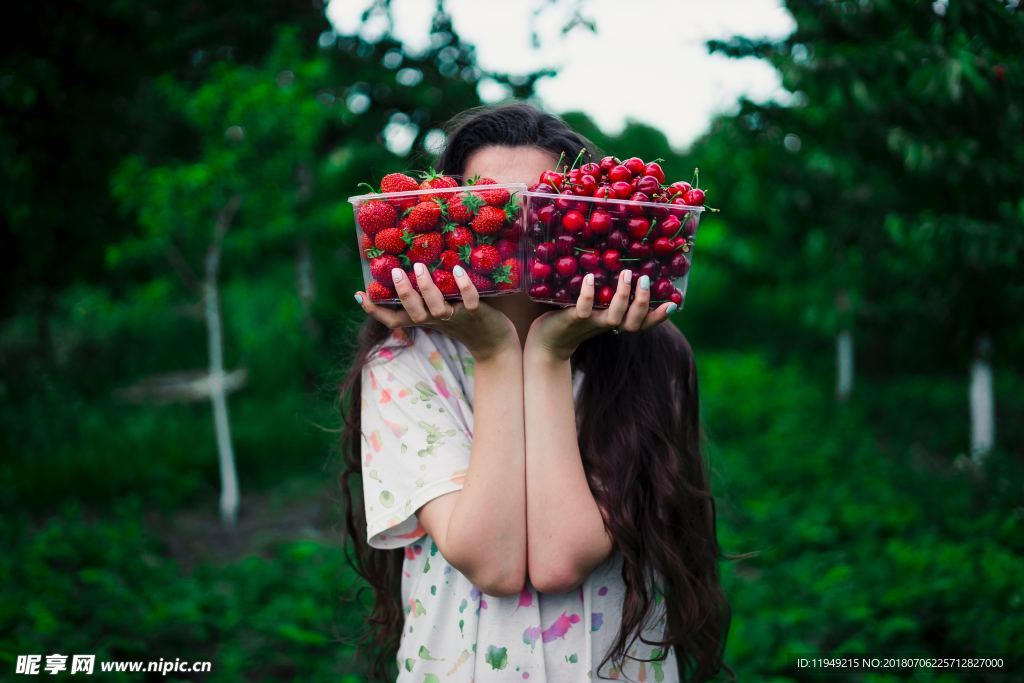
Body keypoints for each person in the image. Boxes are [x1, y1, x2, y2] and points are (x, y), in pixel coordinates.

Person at [339, 102, 734, 682]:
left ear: (583, 212)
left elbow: (559, 559)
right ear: (451, 215)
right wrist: (499, 351)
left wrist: (548, 352)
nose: (513, 222)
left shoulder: (648, 353)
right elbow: (493, 564)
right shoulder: (405, 362)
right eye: (490, 201)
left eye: (540, 204)